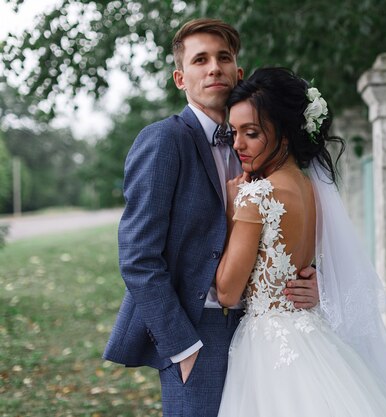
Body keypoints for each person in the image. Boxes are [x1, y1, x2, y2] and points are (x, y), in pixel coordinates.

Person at [103, 19, 319, 417]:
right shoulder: (164, 141)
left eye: (224, 57)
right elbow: (137, 257)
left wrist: (309, 276)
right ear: (180, 78)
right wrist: (181, 348)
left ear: (238, 73)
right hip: (195, 330)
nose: (214, 67)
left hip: (258, 330)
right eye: (200, 60)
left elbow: (282, 225)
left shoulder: (257, 146)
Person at [215, 67, 386, 416]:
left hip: (269, 349)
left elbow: (227, 292)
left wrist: (234, 208)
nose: (238, 145)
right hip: (313, 337)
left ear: (285, 134)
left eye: (251, 133)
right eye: (234, 132)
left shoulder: (255, 195)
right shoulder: (310, 189)